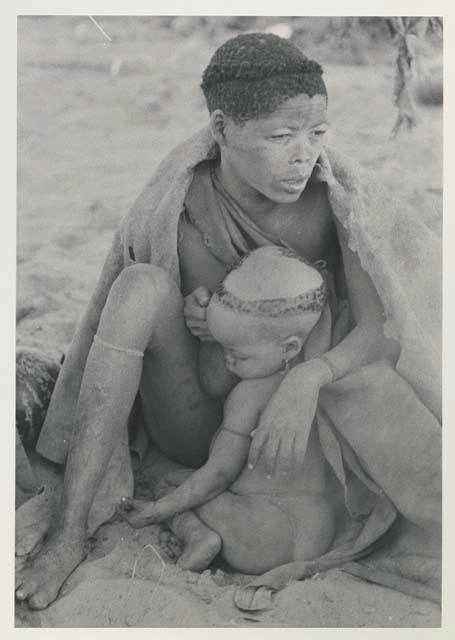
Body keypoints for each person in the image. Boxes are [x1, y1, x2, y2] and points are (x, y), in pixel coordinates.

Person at [15, 32, 441, 611]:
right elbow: (138, 315)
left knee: (387, 407)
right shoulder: (183, 204)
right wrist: (205, 313)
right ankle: (69, 531)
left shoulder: (329, 204)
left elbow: (379, 330)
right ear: (221, 128)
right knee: (139, 285)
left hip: (293, 438)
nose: (304, 155)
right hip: (198, 418)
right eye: (280, 136)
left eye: (316, 134)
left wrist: (306, 377)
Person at [117, 246, 336, 573]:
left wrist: (158, 511)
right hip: (318, 533)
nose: (229, 362)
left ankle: (201, 538)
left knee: (170, 484)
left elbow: (218, 475)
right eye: (224, 350)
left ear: (289, 347)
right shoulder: (312, 388)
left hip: (261, 538)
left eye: (239, 355)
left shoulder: (249, 395)